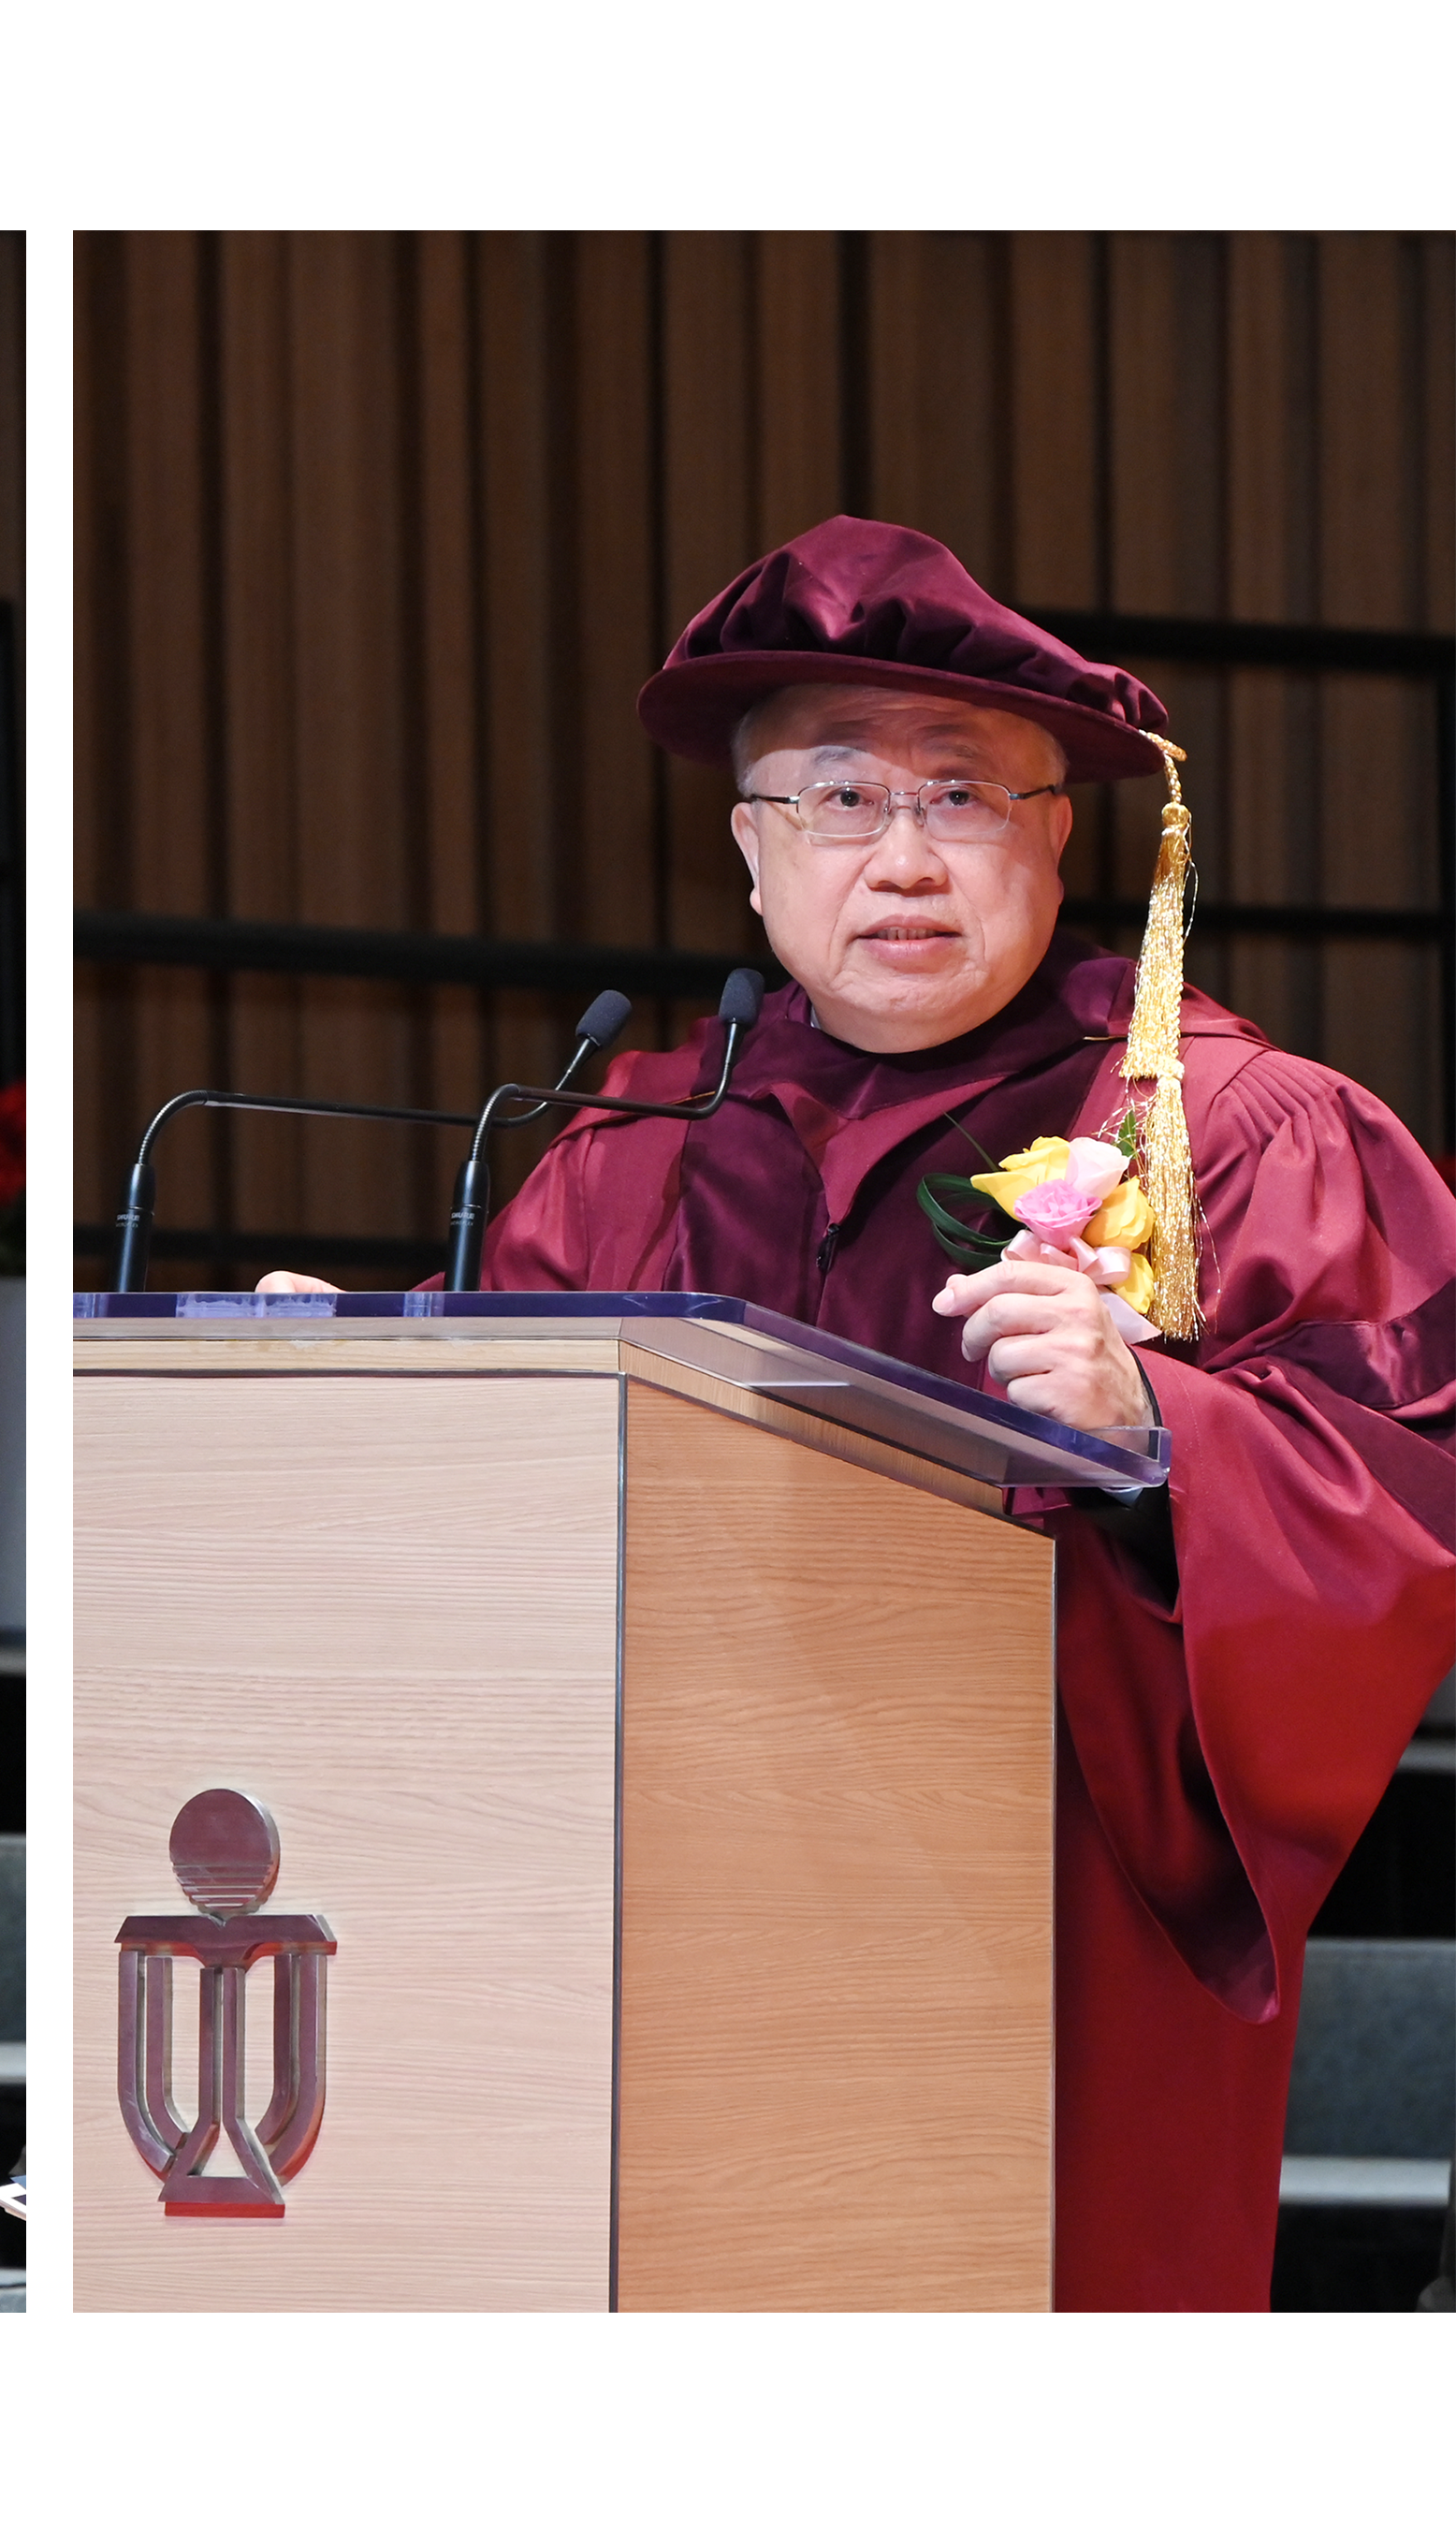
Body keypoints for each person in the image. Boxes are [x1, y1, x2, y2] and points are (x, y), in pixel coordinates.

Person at [266, 514, 1456, 2308]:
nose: (901, 856)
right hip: (659, 1922)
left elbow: (1410, 1472)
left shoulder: (1237, 1136)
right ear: (749, 855)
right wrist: (376, 1388)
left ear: (1063, 841)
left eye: (962, 797)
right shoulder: (631, 1147)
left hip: (1050, 1927)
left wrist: (1161, 1432)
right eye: (835, 799)